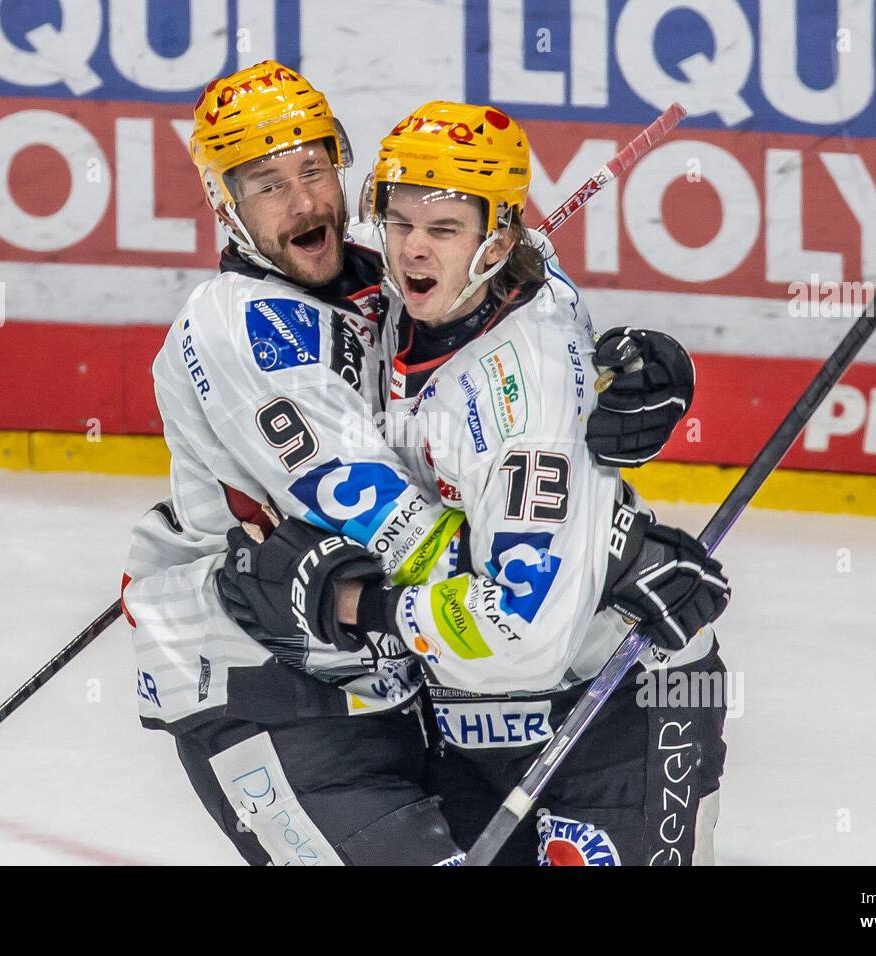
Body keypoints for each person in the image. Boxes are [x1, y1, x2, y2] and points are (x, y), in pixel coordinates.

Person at [218, 101, 731, 866]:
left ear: (496, 239)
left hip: (615, 705)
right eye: (400, 222)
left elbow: (521, 637)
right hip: (467, 721)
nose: (411, 249)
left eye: (444, 229)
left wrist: (356, 603)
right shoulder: (423, 292)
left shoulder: (520, 404)